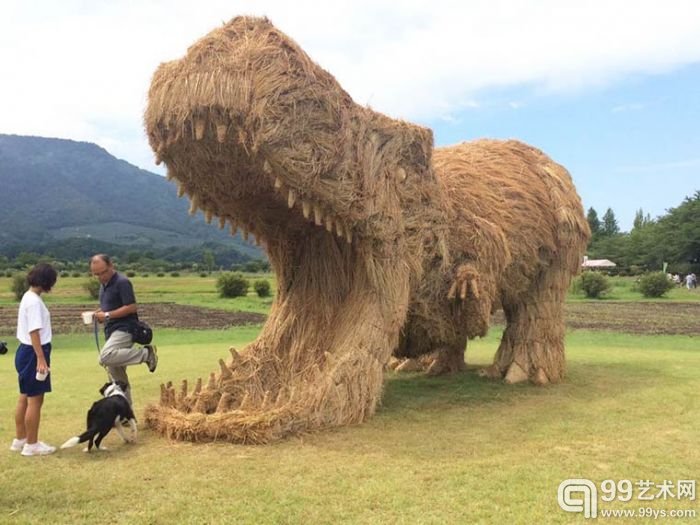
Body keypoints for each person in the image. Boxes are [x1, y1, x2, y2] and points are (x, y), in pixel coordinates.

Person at [89, 254, 157, 405]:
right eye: (96, 274)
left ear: (111, 266)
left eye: (103, 272)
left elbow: (131, 307)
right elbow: (110, 307)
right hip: (111, 330)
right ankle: (126, 412)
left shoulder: (122, 282)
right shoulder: (103, 285)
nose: (100, 277)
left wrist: (106, 315)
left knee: (105, 357)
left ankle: (146, 354)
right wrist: (98, 314)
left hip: (125, 328)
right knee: (117, 375)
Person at [10, 263, 58, 456]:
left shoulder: (27, 296)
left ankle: (20, 439)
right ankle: (32, 444)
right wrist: (41, 359)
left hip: (24, 352)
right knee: (35, 400)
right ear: (47, 281)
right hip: (34, 353)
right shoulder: (35, 302)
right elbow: (34, 332)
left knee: (24, 397)